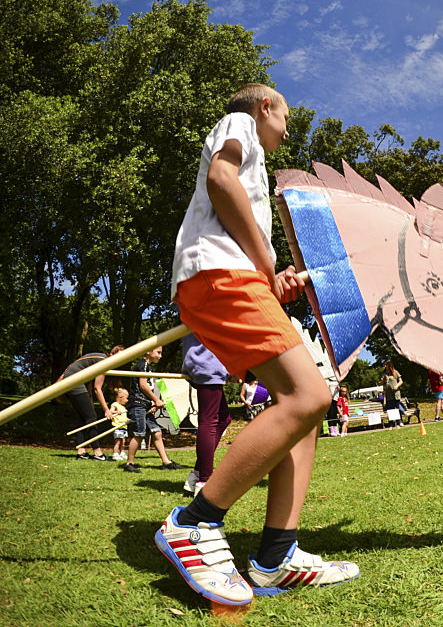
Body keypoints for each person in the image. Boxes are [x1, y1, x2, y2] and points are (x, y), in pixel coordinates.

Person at [155, 84, 359, 607]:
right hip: (217, 276)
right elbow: (221, 179)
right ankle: (193, 523)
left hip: (235, 276)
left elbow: (243, 229)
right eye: (286, 116)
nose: (288, 129)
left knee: (308, 403)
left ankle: (275, 558)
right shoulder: (240, 125)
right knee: (307, 396)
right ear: (264, 107)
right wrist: (266, 265)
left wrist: (270, 277)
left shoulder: (257, 162)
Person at [181, 333, 232, 498]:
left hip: (202, 359)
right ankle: (204, 481)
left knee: (224, 419)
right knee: (209, 420)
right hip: (207, 360)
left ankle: (197, 474)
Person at [124, 346, 185, 473]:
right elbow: (143, 385)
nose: (160, 356)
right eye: (158, 352)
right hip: (137, 405)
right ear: (148, 351)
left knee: (157, 432)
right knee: (139, 434)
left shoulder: (148, 366)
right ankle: (129, 463)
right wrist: (156, 400)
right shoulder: (143, 365)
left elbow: (145, 388)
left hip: (144, 405)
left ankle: (166, 462)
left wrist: (151, 402)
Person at [61, 344, 124, 460]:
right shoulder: (104, 361)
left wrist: (90, 402)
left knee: (82, 417)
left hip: (72, 380)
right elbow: (97, 388)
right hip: (74, 380)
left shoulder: (99, 358)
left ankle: (81, 452)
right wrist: (106, 410)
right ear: (111, 354)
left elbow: (90, 384)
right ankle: (98, 453)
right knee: (92, 417)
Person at [378, 359, 405, 427]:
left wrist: (397, 386)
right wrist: (383, 380)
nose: (384, 366)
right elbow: (379, 383)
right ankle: (391, 423)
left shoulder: (395, 372)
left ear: (389, 365)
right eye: (384, 365)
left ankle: (399, 421)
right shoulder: (383, 374)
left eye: (386, 364)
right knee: (390, 409)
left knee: (397, 407)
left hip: (395, 393)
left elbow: (401, 381)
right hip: (388, 394)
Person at [110, 388, 129, 460]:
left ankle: (122, 453)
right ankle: (115, 454)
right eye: (126, 398)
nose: (127, 400)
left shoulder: (123, 407)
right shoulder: (115, 404)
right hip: (118, 427)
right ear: (120, 397)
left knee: (123, 442)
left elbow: (123, 417)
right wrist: (116, 412)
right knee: (117, 442)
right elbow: (110, 411)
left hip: (124, 427)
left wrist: (127, 420)